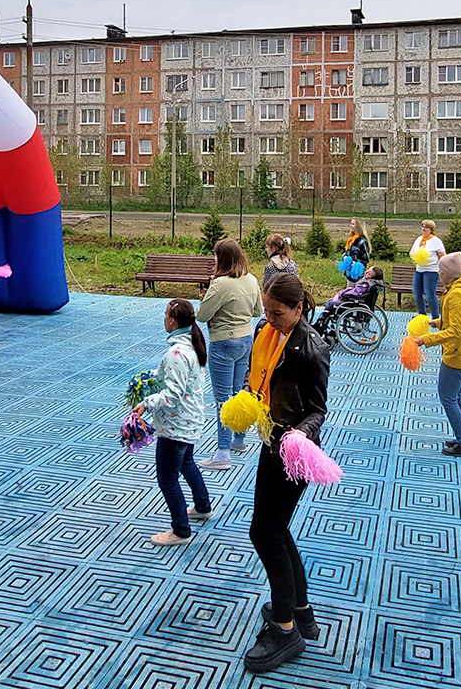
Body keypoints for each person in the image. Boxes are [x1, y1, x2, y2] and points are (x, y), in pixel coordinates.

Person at [243, 274, 330, 674]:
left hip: (292, 451)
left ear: (299, 309)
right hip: (269, 438)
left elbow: (317, 408)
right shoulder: (269, 334)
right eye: (266, 310)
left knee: (265, 532)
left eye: (277, 313)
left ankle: (285, 629)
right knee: (274, 529)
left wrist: (301, 434)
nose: (269, 318)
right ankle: (299, 609)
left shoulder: (311, 348)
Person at [134, 299, 214, 547]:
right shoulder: (191, 344)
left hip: (175, 427)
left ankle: (180, 529)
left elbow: (172, 395)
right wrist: (150, 378)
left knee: (167, 478)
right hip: (189, 421)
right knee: (187, 463)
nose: (164, 317)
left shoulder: (177, 353)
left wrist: (146, 403)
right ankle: (202, 506)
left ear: (172, 320)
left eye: (166, 314)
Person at [196, 239, 263, 470]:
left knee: (222, 399)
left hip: (223, 342)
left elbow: (202, 315)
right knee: (238, 394)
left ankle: (222, 453)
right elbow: (258, 311)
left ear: (221, 258)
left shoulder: (220, 284)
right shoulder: (252, 279)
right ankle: (239, 439)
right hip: (246, 339)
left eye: (215, 256)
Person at [415, 253, 461, 457]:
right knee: (456, 397)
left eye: (440, 271)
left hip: (459, 353)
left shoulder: (457, 295)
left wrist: (425, 340)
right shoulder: (460, 289)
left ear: (447, 273)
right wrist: (435, 323)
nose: (438, 274)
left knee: (447, 397)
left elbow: (455, 330)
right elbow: (457, 321)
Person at [409, 220, 447, 318]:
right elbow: (411, 252)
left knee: (429, 293)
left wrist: (442, 269)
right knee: (417, 292)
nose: (423, 229)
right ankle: (422, 315)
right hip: (419, 270)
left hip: (431, 270)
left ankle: (435, 317)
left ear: (431, 229)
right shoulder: (419, 239)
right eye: (422, 226)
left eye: (426, 227)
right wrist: (417, 256)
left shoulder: (436, 241)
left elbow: (442, 256)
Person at [342, 218, 371, 288]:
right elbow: (346, 252)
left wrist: (356, 263)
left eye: (353, 224)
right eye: (350, 223)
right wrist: (345, 257)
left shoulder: (362, 242)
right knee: (349, 291)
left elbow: (365, 259)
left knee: (354, 293)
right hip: (349, 272)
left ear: (358, 226)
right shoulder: (351, 239)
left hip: (357, 273)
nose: (350, 226)